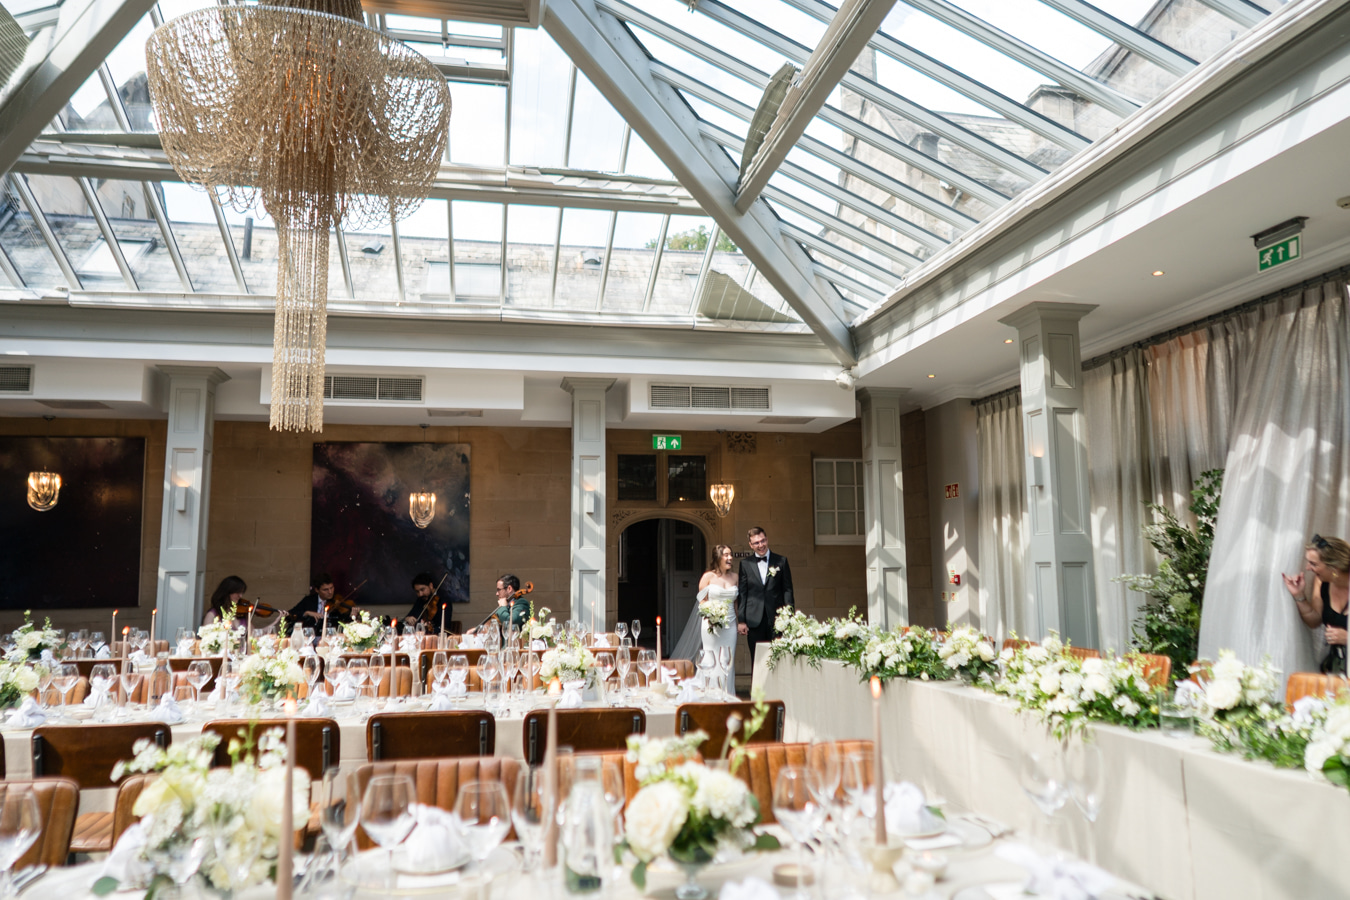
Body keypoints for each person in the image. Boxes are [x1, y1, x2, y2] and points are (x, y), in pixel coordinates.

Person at [1284, 534, 1350, 674]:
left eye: (1313, 564)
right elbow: (1314, 620)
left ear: (1334, 569)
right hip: (1337, 668)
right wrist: (1298, 595)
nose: (1308, 568)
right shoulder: (1321, 582)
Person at [671, 544, 739, 662]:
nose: (730, 558)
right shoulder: (707, 577)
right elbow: (702, 601)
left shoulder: (735, 577)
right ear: (718, 557)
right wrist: (712, 616)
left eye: (731, 555)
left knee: (728, 660)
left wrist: (740, 621)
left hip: (730, 624)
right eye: (726, 555)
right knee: (711, 659)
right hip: (711, 623)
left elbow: (736, 603)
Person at [736, 527, 793, 663]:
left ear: (767, 540)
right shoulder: (745, 564)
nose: (760, 545)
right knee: (757, 661)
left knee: (778, 660)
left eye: (762, 541)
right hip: (754, 620)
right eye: (756, 543)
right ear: (750, 545)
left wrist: (789, 617)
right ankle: (757, 685)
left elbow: (788, 590)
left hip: (777, 619)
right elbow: (743, 593)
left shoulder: (781, 561)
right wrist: (742, 620)